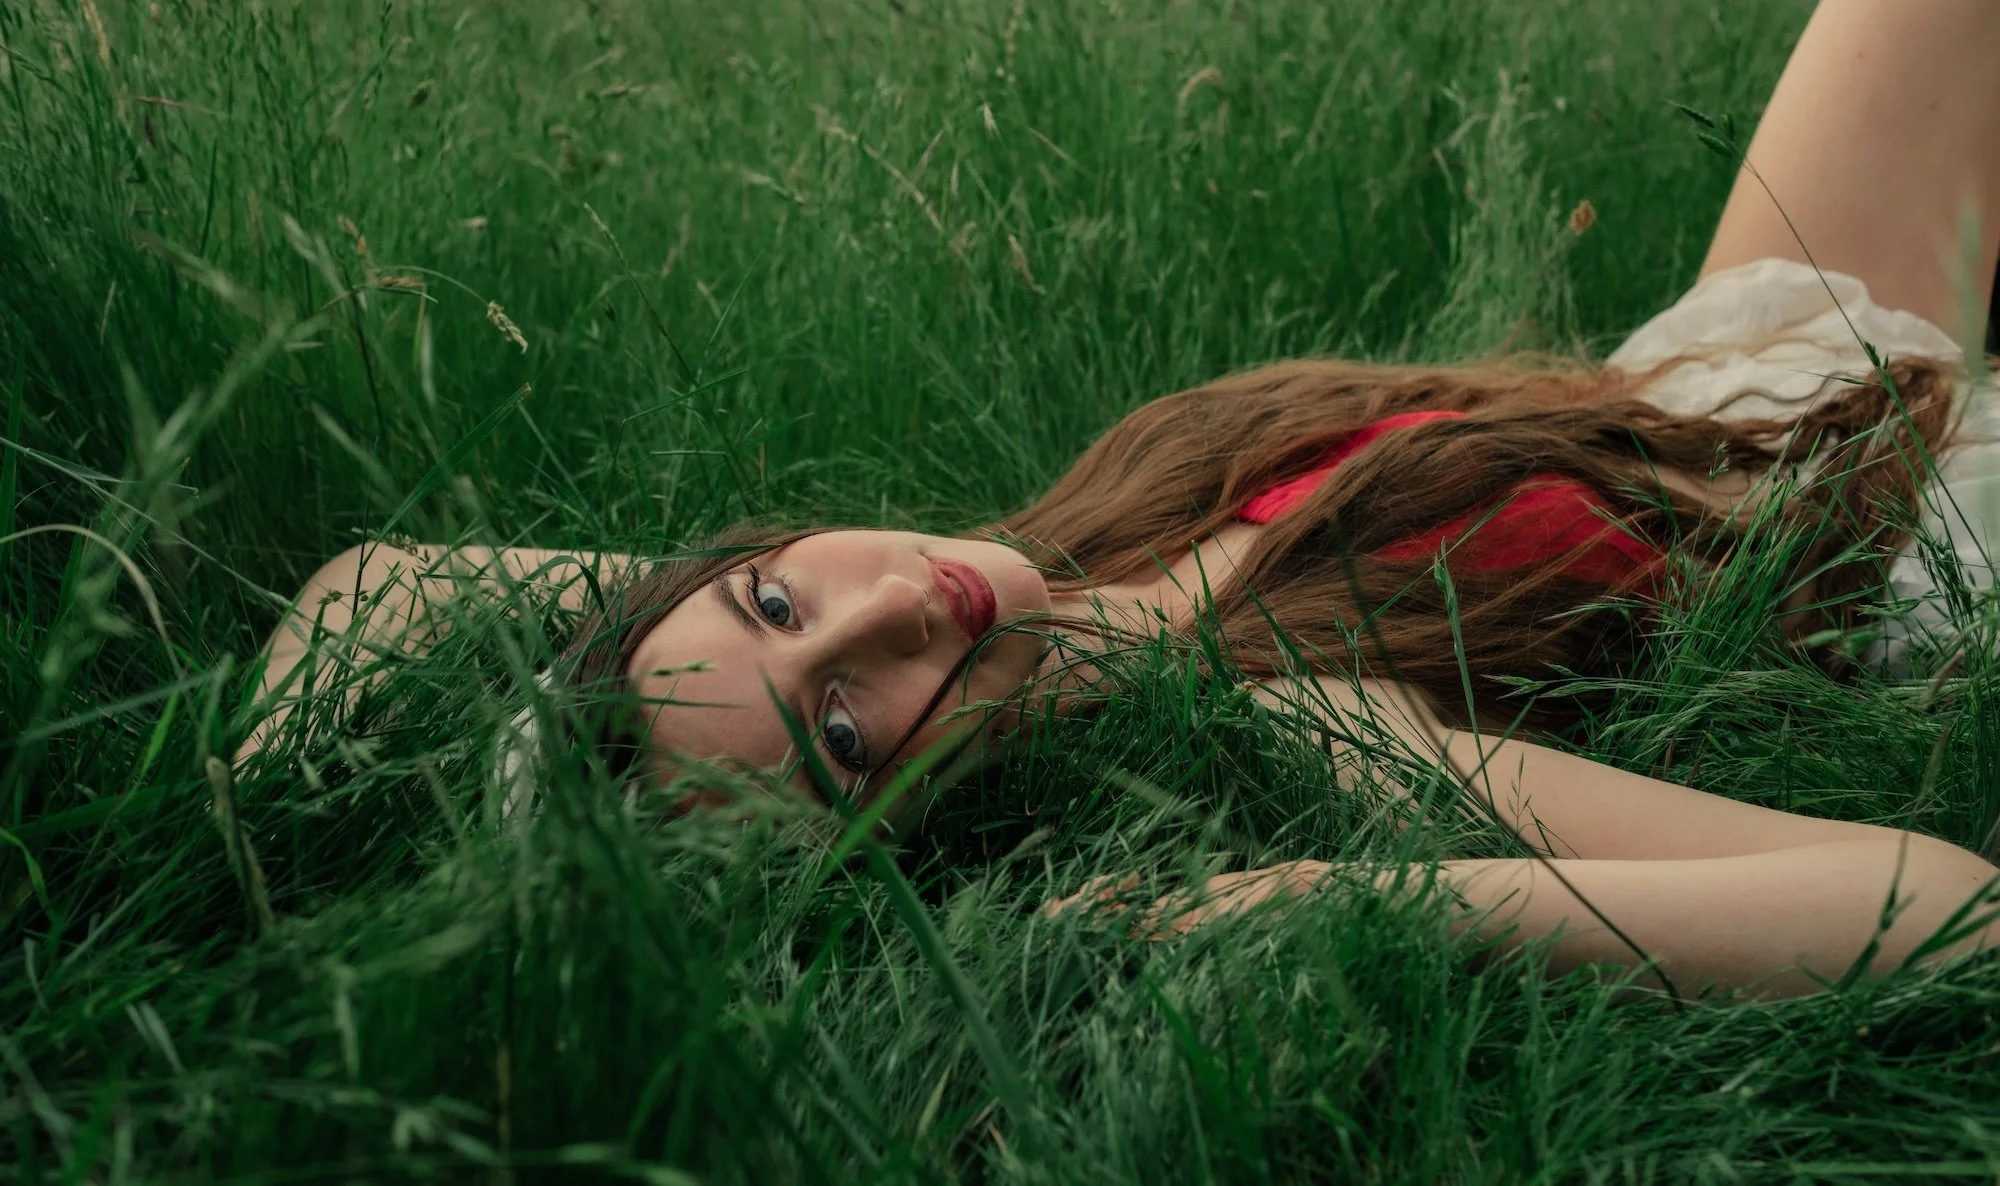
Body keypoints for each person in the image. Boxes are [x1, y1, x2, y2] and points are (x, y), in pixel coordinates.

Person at [243, 1, 2000, 1000]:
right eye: (847, 732)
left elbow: (372, 583)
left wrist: (492, 807)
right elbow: (1942, 910)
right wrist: (1344, 897)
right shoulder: (1313, 724)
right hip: (1912, 538)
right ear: (900, 834)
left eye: (775, 599)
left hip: (1715, 377)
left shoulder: (1066, 555)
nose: (885, 610)